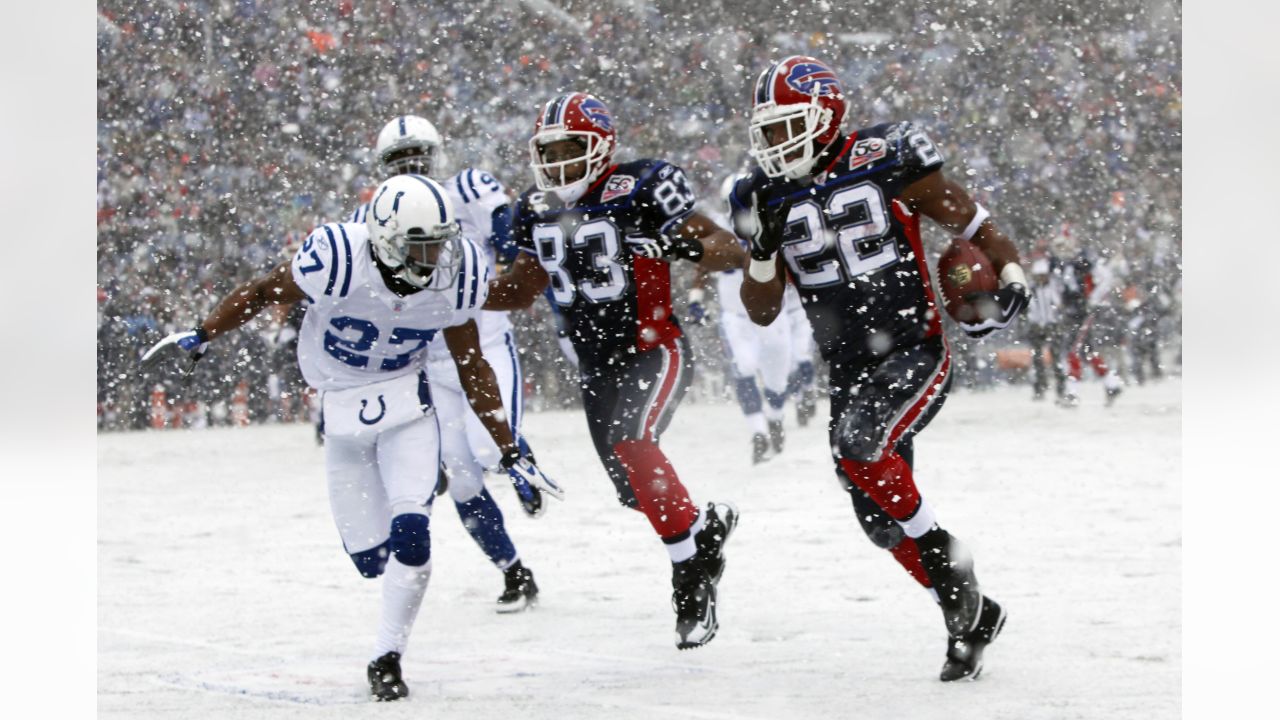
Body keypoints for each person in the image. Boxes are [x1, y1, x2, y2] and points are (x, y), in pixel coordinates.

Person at [140, 175, 562, 701]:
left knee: (414, 535)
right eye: (421, 246)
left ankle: (387, 657)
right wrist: (203, 333)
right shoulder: (339, 257)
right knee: (371, 561)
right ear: (384, 238)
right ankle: (385, 586)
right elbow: (263, 290)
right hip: (342, 409)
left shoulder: (454, 276)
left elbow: (474, 361)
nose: (434, 257)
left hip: (408, 405)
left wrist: (508, 445)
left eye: (440, 243)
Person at [732, 56, 1028, 681]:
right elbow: (759, 312)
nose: (776, 143)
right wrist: (761, 247)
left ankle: (951, 575)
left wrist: (1010, 273)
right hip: (848, 369)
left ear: (827, 115)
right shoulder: (759, 193)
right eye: (769, 130)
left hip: (914, 349)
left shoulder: (886, 155)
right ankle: (973, 614)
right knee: (879, 523)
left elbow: (971, 220)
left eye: (789, 126)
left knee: (861, 445)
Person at [485, 92, 746, 649]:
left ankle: (690, 581)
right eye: (547, 149)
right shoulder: (533, 208)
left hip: (656, 348)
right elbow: (519, 290)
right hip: (597, 367)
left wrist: (683, 245)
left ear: (601, 146)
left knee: (634, 443)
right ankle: (705, 531)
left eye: (569, 147)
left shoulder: (642, 185)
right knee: (635, 490)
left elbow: (727, 246)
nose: (556, 161)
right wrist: (456, 294)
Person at [350, 115, 542, 612]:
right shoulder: (368, 216)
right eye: (400, 159)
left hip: (483, 343)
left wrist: (502, 262)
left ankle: (517, 455)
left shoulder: (467, 188)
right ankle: (514, 572)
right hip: (426, 362)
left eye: (418, 155)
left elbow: (507, 224)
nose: (412, 165)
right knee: (461, 476)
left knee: (486, 449)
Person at [691, 174, 793, 464]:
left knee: (776, 377)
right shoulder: (723, 231)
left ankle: (774, 418)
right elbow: (703, 266)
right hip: (735, 317)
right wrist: (697, 299)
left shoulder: (775, 223)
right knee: (744, 369)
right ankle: (758, 431)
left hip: (772, 315)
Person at [1025, 255, 1068, 401]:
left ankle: (1060, 388)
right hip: (1037, 325)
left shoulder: (1053, 287)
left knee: (1056, 358)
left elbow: (1059, 304)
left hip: (1052, 325)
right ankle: (1040, 387)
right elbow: (1030, 308)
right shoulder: (1032, 289)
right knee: (1037, 359)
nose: (1041, 279)